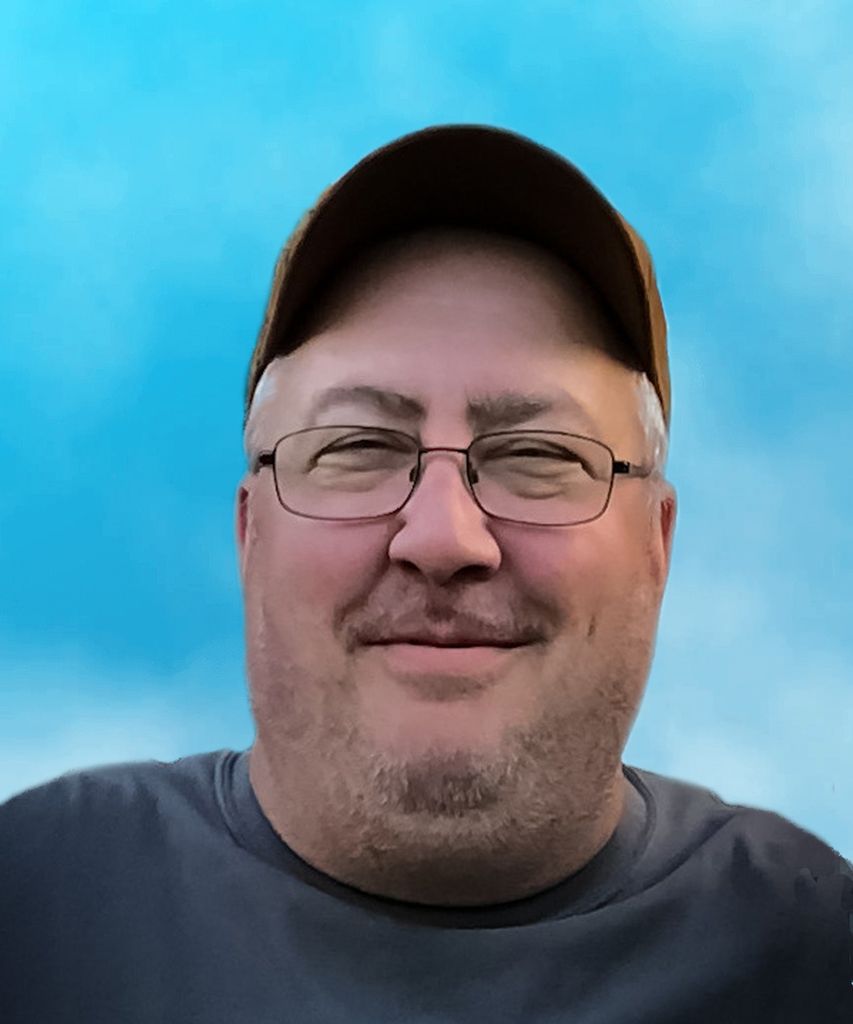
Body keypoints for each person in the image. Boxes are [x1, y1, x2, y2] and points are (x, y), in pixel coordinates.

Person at [1, 125, 850, 1022]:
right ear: (250, 536)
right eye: (357, 448)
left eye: (538, 455)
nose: (443, 537)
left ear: (656, 546)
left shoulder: (810, 952)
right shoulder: (34, 908)